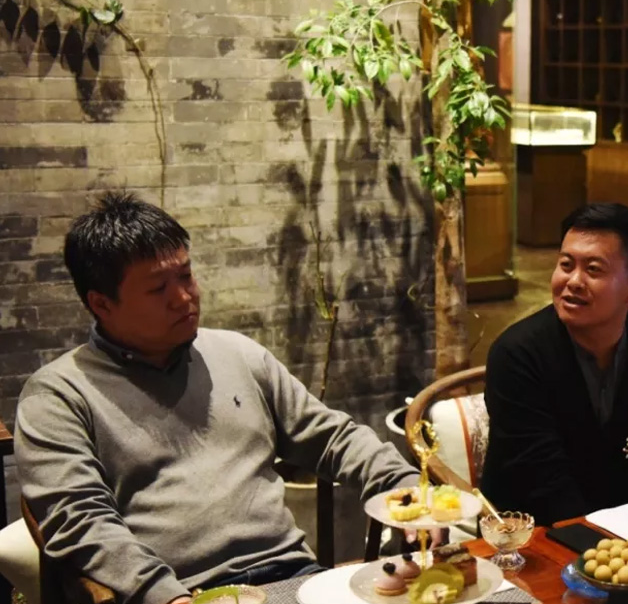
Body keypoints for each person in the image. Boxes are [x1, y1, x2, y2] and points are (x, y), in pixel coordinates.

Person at [15, 192, 420, 604]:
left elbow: (335, 439)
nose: (184, 297)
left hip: (291, 578)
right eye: (158, 289)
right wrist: (163, 594)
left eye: (186, 275)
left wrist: (405, 487)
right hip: (180, 592)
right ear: (101, 304)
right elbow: (81, 519)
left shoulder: (236, 354)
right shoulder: (59, 395)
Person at [481, 203, 628, 525]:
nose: (573, 281)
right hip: (532, 533)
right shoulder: (517, 355)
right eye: (565, 265)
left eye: (593, 269)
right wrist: (602, 543)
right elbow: (540, 479)